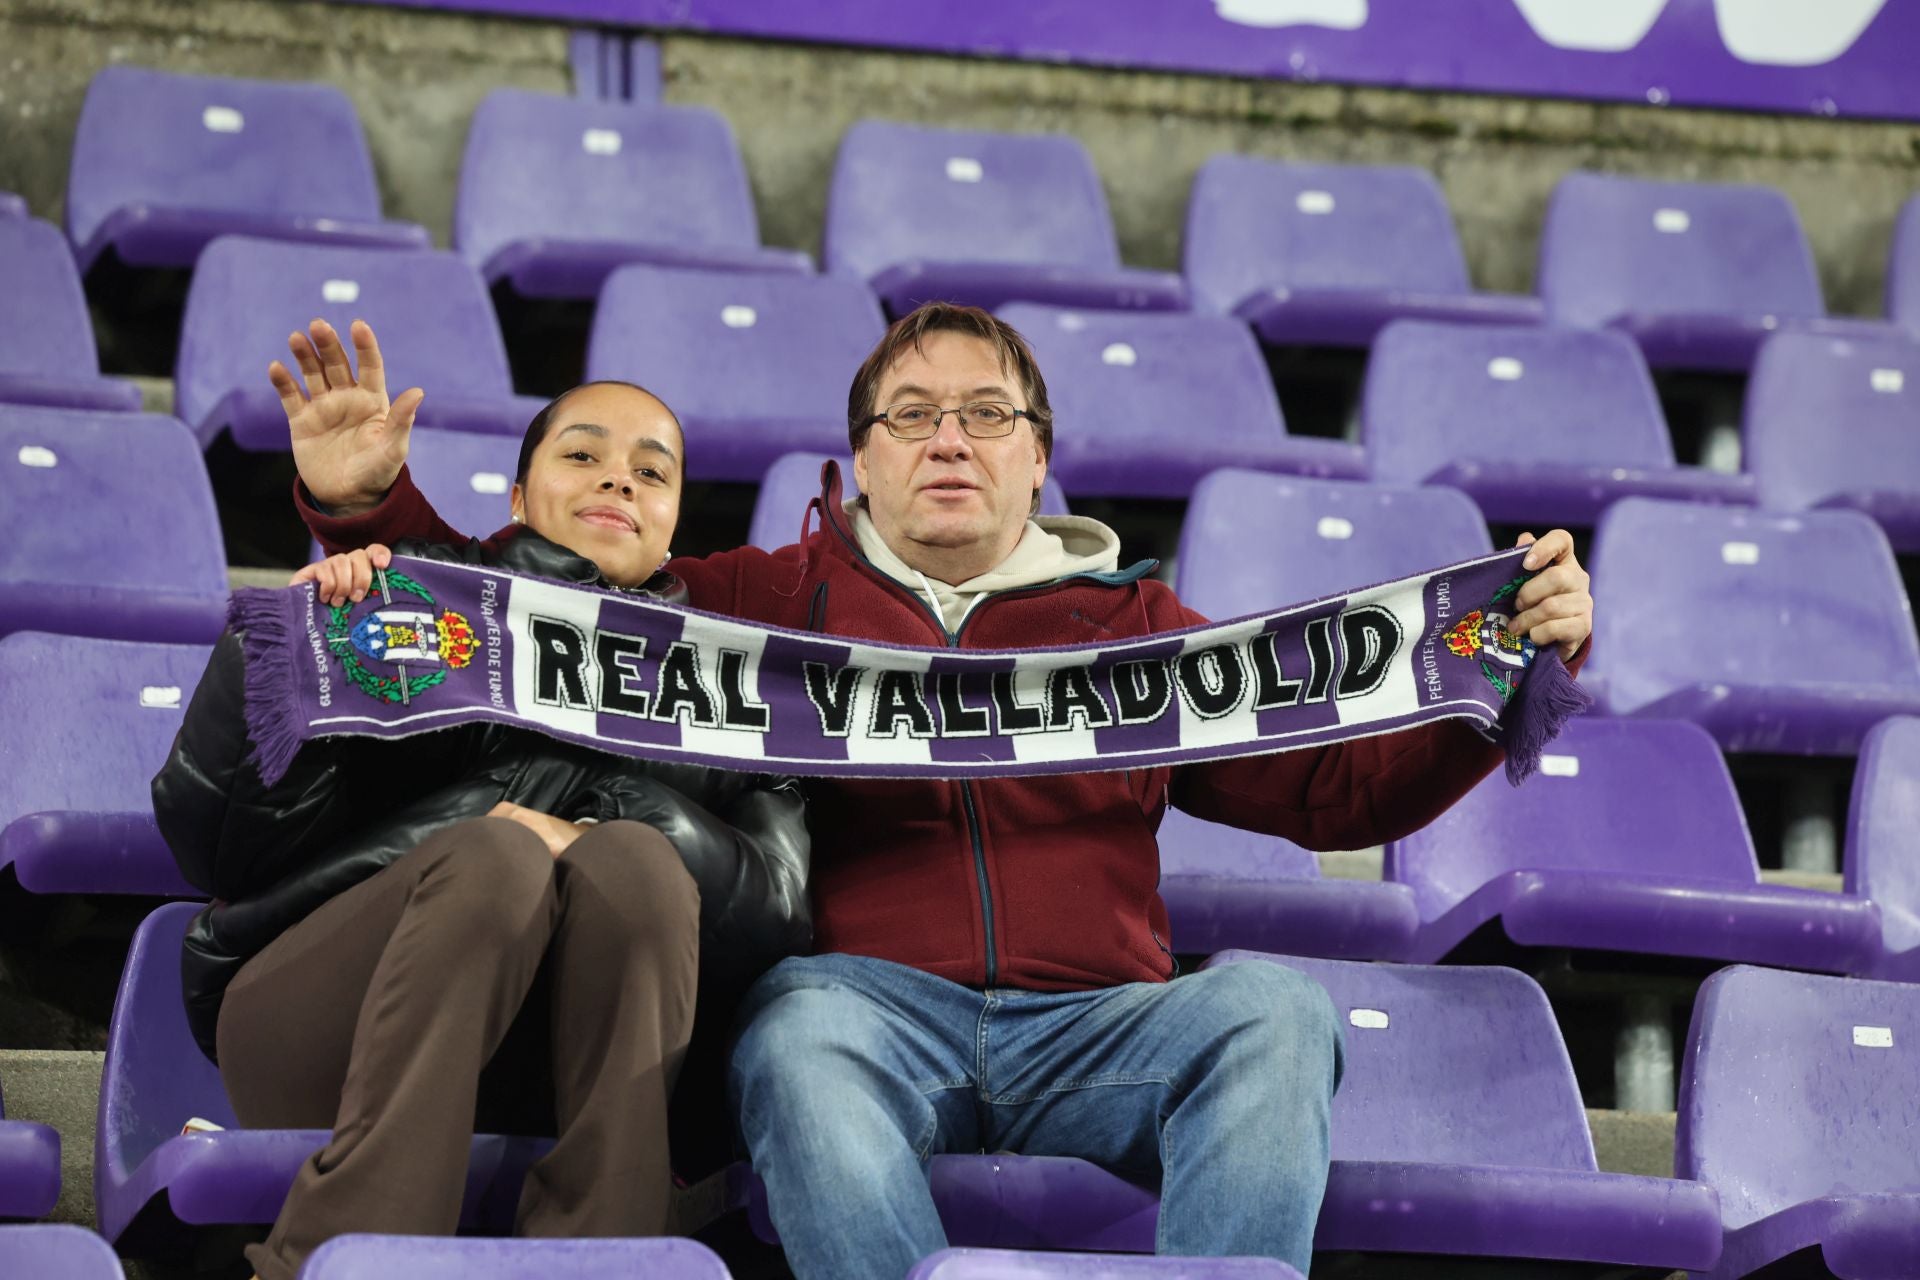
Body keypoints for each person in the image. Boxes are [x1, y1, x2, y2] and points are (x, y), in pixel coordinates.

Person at [291, 304, 1594, 1278]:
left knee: (1271, 1013)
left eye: (988, 416)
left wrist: (1506, 664)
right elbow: (535, 618)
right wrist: (371, 513)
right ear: (862, 460)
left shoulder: (1137, 625)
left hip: (1106, 1025)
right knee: (795, 1033)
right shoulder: (763, 599)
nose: (950, 441)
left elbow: (1332, 789)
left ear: (1040, 460)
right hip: (865, 1010)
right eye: (911, 417)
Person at [152, 319, 811, 1280]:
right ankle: (332, 1260)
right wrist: (291, 654)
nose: (618, 479)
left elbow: (777, 910)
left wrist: (597, 819)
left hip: (555, 1066)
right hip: (320, 1028)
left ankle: (605, 1260)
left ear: (675, 525)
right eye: (582, 455)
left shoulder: (733, 691)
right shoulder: (416, 610)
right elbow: (222, 848)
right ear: (516, 497)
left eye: (651, 472)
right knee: (492, 858)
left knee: (633, 860)